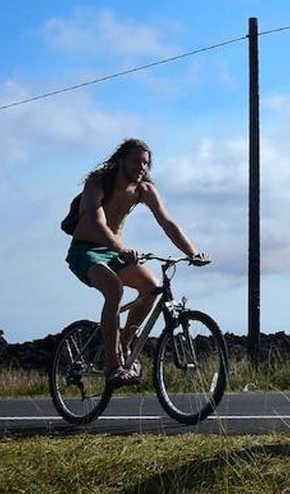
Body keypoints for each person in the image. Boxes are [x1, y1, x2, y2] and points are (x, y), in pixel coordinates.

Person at [65, 138, 202, 388]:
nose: (142, 167)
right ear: (120, 161)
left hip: (115, 251)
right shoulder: (97, 183)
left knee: (151, 287)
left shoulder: (144, 189)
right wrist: (120, 247)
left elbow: (167, 223)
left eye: (146, 163)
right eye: (137, 161)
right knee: (114, 290)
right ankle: (113, 365)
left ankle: (125, 343)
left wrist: (193, 253)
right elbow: (97, 222)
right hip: (85, 250)